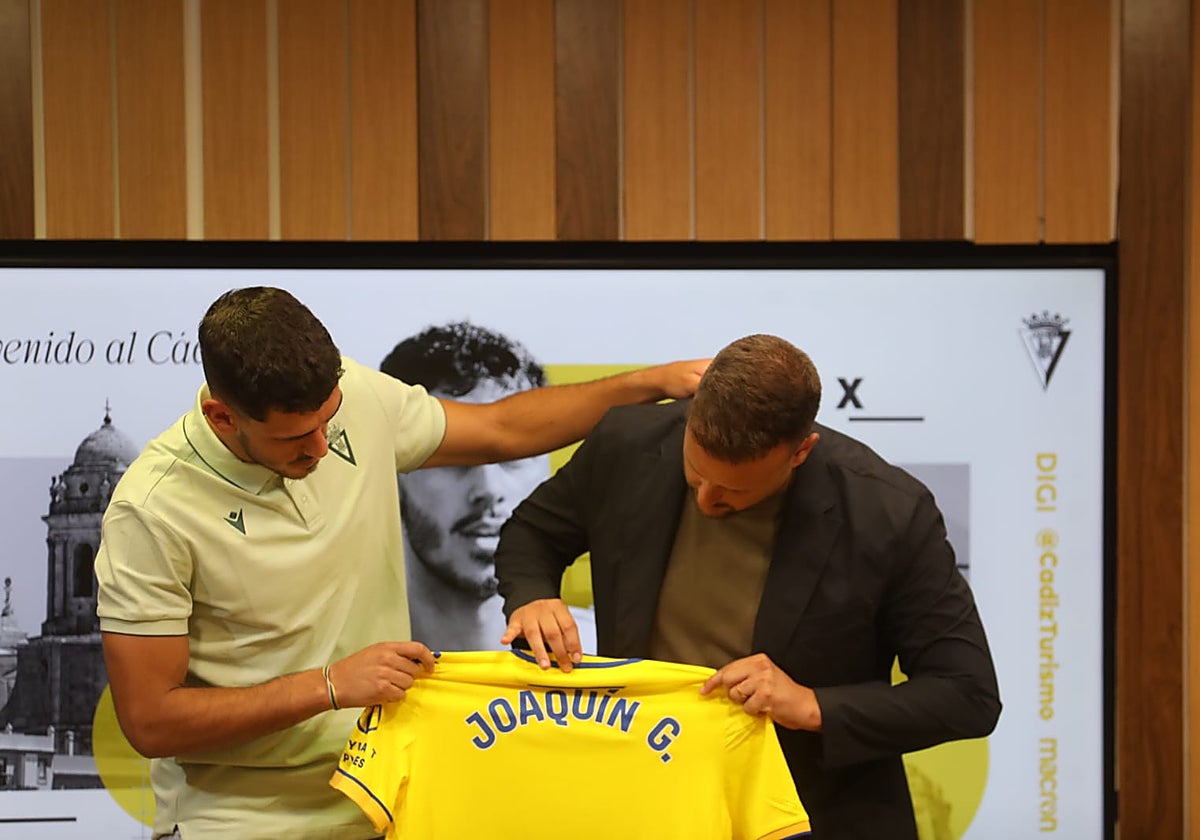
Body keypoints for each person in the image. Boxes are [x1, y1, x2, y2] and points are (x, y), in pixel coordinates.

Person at [94, 287, 707, 840]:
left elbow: (500, 429)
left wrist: (650, 382)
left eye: (329, 420)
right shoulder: (152, 511)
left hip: (387, 806)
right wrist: (329, 686)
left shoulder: (356, 398)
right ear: (222, 417)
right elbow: (151, 721)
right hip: (239, 823)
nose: (322, 447)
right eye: (294, 438)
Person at [495, 333, 1002, 840]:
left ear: (800, 452)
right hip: (646, 799)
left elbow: (967, 694)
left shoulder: (886, 511)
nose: (706, 501)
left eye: (734, 491)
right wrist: (533, 595)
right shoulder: (629, 442)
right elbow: (532, 533)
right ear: (691, 417)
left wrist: (811, 705)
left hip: (812, 811)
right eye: (695, 474)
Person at [379, 321, 595, 651]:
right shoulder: (339, 655)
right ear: (393, 469)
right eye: (453, 454)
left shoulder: (607, 654)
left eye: (517, 454)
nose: (489, 489)